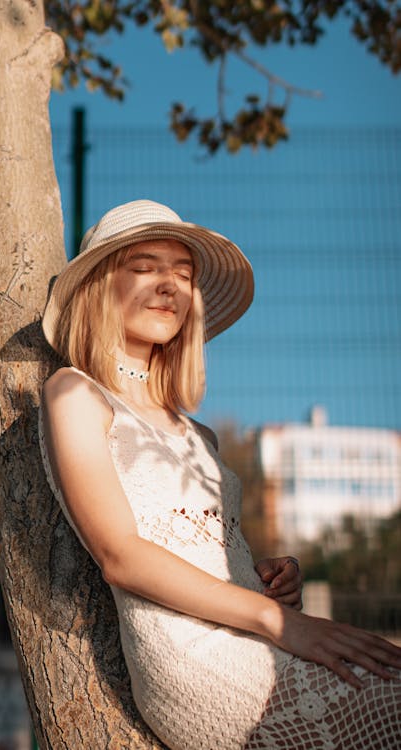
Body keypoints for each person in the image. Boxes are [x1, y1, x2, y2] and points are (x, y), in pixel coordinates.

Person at [39, 199, 401, 749]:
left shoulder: (200, 436)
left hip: (256, 630)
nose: (169, 286)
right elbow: (120, 556)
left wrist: (269, 582)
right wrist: (282, 623)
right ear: (100, 286)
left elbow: (203, 554)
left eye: (182, 275)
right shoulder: (75, 392)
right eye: (144, 268)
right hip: (188, 657)